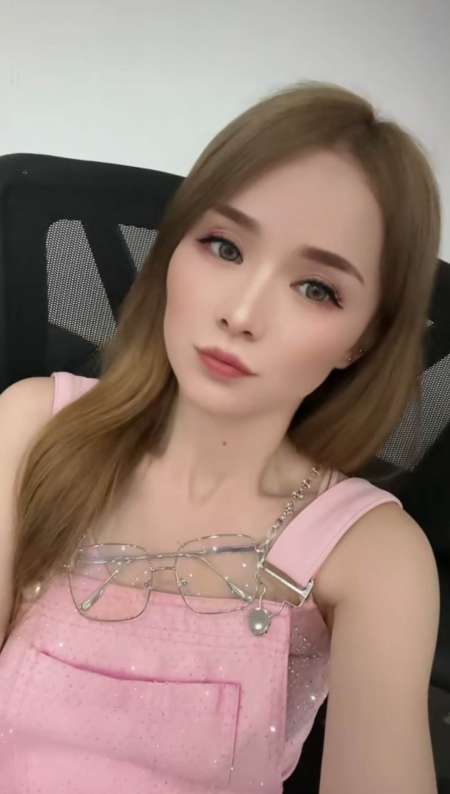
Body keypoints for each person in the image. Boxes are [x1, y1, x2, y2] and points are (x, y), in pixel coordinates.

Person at [0, 80, 442, 793]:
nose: (241, 313)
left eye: (316, 289)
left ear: (362, 339)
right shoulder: (32, 428)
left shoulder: (371, 556)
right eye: (223, 246)